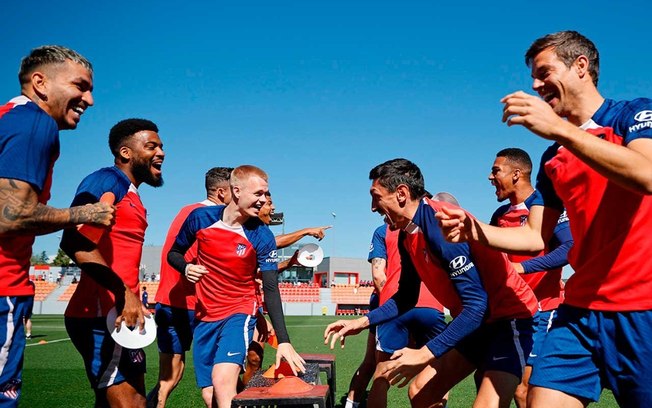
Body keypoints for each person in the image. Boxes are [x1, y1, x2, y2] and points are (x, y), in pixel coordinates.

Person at [438, 30, 652, 407]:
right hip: (580, 311)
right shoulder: (553, 158)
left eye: (543, 72)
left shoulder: (633, 114)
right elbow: (536, 237)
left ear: (580, 66)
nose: (536, 86)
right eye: (533, 78)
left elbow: (647, 174)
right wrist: (477, 231)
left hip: (642, 308)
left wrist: (561, 130)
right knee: (536, 398)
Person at [325, 158, 538, 408]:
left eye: (376, 196)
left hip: (508, 318)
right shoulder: (407, 234)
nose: (373, 207)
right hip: (476, 323)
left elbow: (477, 304)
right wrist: (361, 322)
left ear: (402, 193)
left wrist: (423, 353)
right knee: (421, 392)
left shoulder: (441, 226)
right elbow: (406, 296)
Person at [0, 45, 114, 407]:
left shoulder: (8, 117)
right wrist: (85, 214)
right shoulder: (35, 122)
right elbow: (10, 216)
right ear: (40, 83)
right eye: (80, 86)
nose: (90, 99)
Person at [168, 165, 305, 408]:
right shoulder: (200, 219)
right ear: (236, 191)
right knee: (210, 395)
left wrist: (283, 340)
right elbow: (174, 253)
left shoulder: (262, 236)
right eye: (258, 194)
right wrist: (186, 268)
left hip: (239, 312)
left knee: (222, 381)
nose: (264, 200)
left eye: (266, 194)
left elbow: (272, 288)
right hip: (205, 316)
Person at [61, 118, 165, 408]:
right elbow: (74, 241)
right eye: (151, 146)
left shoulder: (131, 193)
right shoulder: (108, 181)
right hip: (102, 314)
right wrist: (124, 293)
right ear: (125, 153)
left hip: (122, 314)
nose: (161, 152)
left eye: (161, 146)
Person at [487, 147, 572, 407]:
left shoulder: (547, 206)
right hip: (510, 312)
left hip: (542, 309)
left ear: (516, 174)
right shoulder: (499, 216)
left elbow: (569, 249)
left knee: (524, 389)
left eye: (495, 171)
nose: (490, 177)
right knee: (496, 382)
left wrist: (522, 268)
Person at [147, 166, 233, 408]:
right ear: (221, 192)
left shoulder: (187, 210)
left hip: (167, 301)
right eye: (235, 190)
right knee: (217, 380)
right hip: (197, 306)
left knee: (169, 377)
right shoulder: (212, 218)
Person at [240, 191, 330, 387]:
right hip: (235, 304)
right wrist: (305, 231)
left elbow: (259, 271)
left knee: (255, 359)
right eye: (268, 203)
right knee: (227, 368)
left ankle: (241, 396)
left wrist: (289, 263)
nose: (272, 207)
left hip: (253, 304)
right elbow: (275, 243)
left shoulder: (261, 232)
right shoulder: (247, 229)